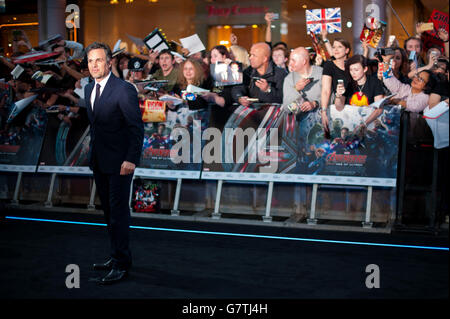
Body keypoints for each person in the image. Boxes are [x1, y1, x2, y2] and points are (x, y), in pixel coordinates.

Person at [84, 42, 144, 285]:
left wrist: (131, 159)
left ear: (109, 62)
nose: (94, 65)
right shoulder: (89, 88)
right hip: (100, 161)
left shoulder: (123, 89)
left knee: (118, 213)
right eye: (90, 61)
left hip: (121, 163)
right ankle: (117, 256)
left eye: (99, 60)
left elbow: (135, 128)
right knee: (109, 213)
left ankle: (121, 264)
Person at [334, 55, 385, 129]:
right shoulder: (348, 83)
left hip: (370, 123)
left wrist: (365, 124)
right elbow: (339, 107)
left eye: (356, 70)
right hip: (351, 124)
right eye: (351, 70)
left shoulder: (375, 82)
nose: (353, 73)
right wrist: (338, 95)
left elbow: (379, 109)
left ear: (365, 69)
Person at [231, 42, 286, 107]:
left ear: (265, 59)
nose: (250, 58)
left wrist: (268, 90)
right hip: (251, 113)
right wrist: (239, 98)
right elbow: (237, 88)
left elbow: (282, 98)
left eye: (254, 55)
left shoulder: (280, 74)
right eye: (250, 55)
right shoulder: (248, 72)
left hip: (272, 114)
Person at [320, 38, 352, 134]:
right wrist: (324, 111)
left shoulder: (353, 64)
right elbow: (325, 90)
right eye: (333, 47)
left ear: (347, 50)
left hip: (356, 106)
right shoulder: (329, 66)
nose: (336, 50)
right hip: (338, 107)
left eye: (339, 47)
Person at [283, 47, 322, 113]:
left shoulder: (321, 73)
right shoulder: (289, 79)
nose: (290, 64)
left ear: (304, 61)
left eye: (293, 60)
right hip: (301, 121)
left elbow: (331, 99)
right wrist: (296, 90)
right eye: (290, 60)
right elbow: (288, 109)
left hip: (322, 119)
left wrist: (315, 103)